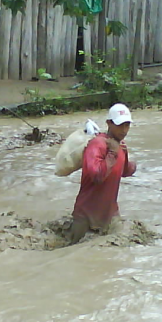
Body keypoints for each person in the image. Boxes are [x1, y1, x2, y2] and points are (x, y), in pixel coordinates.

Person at [66, 103, 137, 244]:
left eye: (127, 125)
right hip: (86, 214)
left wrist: (126, 155)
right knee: (70, 250)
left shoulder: (119, 146)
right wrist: (112, 153)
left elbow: (126, 171)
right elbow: (97, 176)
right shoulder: (96, 145)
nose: (124, 130)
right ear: (109, 124)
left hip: (110, 213)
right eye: (120, 125)